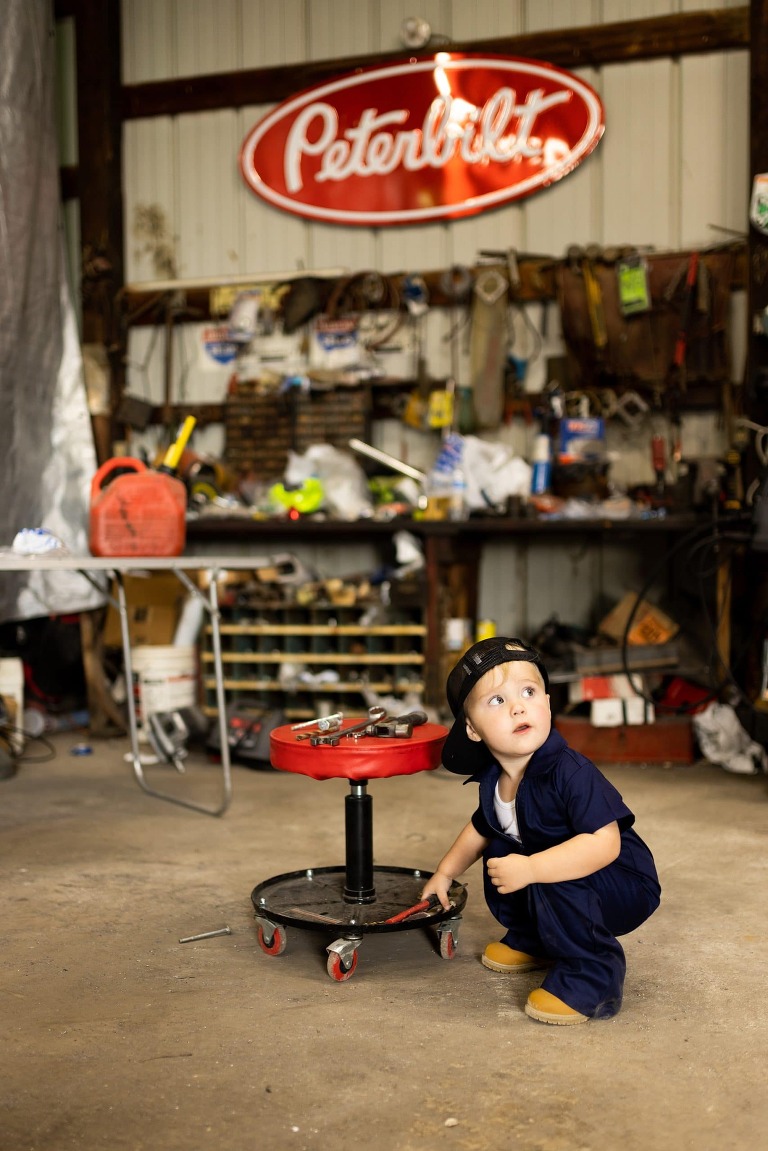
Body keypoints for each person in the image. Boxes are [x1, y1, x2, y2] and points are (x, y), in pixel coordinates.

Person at [421, 636, 661, 1026]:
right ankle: (537, 937)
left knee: (551, 865)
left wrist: (533, 870)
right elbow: (479, 828)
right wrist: (445, 873)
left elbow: (605, 843)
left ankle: (592, 975)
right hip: (570, 872)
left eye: (529, 692)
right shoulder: (496, 780)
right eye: (497, 701)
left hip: (621, 880)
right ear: (473, 729)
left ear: (547, 703)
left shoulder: (571, 772)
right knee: (501, 847)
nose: (518, 706)